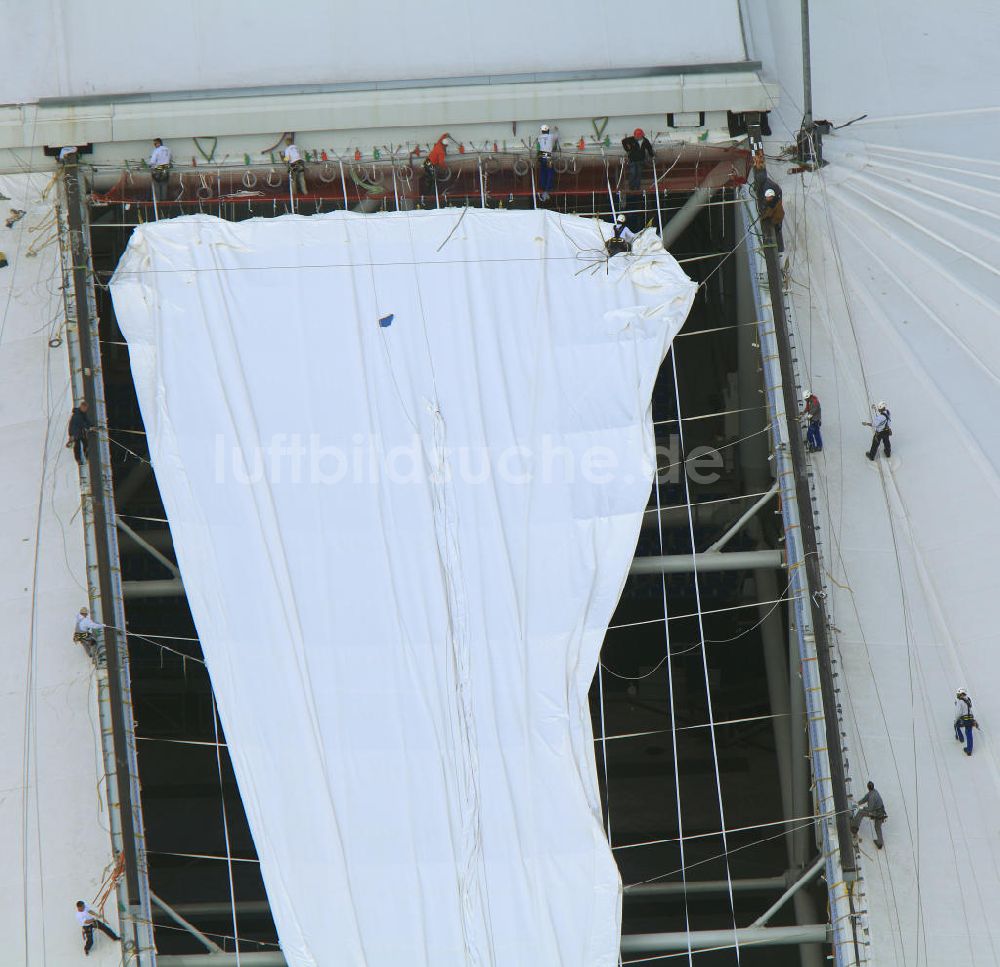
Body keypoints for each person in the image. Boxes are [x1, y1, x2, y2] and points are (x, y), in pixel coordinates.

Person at [851, 781, 887, 848]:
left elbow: (870, 809)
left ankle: (854, 827)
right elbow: (865, 798)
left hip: (876, 813)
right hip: (881, 812)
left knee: (861, 812)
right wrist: (858, 803)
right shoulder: (874, 792)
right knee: (877, 827)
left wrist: (861, 807)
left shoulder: (872, 796)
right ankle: (880, 842)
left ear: (868, 787)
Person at [758, 180, 785, 253]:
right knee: (778, 227)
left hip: (777, 218)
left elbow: (768, 213)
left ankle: (780, 248)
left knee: (775, 229)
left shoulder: (772, 204)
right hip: (780, 215)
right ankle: (780, 246)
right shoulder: (776, 198)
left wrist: (762, 218)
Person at [66, 400, 92, 465]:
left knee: (86, 444)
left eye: (86, 408)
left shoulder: (83, 413)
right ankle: (78, 460)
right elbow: (81, 423)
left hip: (80, 432)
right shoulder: (77, 415)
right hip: (75, 433)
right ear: (81, 407)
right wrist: (89, 427)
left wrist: (91, 425)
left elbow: (86, 421)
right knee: (77, 447)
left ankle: (87, 456)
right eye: (85, 408)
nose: (86, 409)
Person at [536, 124, 558, 201]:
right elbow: (556, 136)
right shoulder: (551, 136)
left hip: (541, 156)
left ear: (542, 131)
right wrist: (556, 129)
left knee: (543, 172)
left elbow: (538, 146)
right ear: (548, 130)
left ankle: (543, 186)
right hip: (548, 157)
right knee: (549, 173)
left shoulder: (539, 137)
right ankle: (547, 189)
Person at [954, 687, 978, 756]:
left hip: (965, 719)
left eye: (958, 694)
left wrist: (955, 720)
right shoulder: (968, 699)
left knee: (957, 725)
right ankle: (969, 750)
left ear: (961, 694)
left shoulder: (960, 701)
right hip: (971, 718)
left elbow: (958, 712)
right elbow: (969, 709)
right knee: (969, 734)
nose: (958, 696)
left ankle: (961, 739)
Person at [148, 138, 171, 202]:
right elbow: (169, 158)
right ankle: (164, 199)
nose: (154, 145)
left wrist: (149, 165)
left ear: (159, 143)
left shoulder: (156, 150)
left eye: (155, 143)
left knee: (156, 185)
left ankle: (157, 200)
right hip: (166, 169)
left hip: (158, 169)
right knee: (164, 184)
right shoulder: (167, 149)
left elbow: (152, 161)